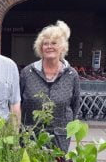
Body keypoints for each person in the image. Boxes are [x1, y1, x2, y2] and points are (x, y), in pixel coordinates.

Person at [19, 20, 80, 150]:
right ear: (40, 48)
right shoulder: (27, 73)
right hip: (31, 136)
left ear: (62, 47)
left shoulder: (71, 75)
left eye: (53, 43)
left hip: (59, 137)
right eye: (45, 43)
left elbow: (75, 106)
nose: (49, 46)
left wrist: (67, 129)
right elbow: (18, 102)